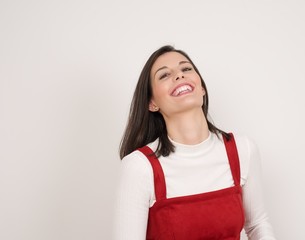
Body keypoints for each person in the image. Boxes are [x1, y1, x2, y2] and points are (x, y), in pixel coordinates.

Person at [115, 45, 276, 240]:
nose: (179, 75)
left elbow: (258, 225)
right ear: (152, 102)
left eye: (186, 69)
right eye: (164, 75)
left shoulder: (243, 150)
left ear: (202, 88)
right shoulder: (139, 167)